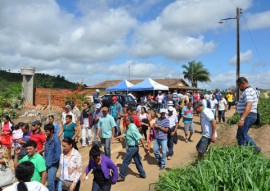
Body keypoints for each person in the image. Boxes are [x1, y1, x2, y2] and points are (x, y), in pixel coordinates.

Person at [114, 116, 147, 181]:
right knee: (137, 161)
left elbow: (140, 137)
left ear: (129, 121)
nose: (125, 121)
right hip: (134, 148)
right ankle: (143, 174)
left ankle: (122, 176)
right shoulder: (129, 127)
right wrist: (115, 138)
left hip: (132, 148)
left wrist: (144, 146)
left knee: (125, 161)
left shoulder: (132, 128)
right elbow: (124, 135)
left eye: (126, 120)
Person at [236, 77, 261, 153]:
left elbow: (249, 105)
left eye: (239, 86)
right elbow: (256, 102)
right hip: (250, 115)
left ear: (243, 83)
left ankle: (244, 153)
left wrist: (242, 118)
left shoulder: (248, 91)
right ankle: (254, 149)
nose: (239, 88)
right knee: (243, 134)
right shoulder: (252, 90)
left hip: (248, 116)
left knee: (240, 136)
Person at [44, 124, 61, 191]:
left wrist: (50, 163)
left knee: (50, 182)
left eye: (47, 131)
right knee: (48, 179)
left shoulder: (56, 140)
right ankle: (57, 185)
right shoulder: (48, 138)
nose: (45, 132)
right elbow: (46, 151)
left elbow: (57, 155)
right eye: (45, 131)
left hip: (53, 164)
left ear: (51, 131)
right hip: (47, 163)